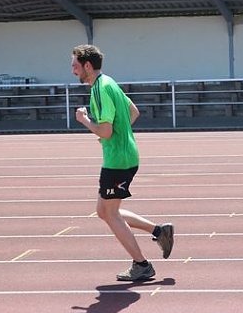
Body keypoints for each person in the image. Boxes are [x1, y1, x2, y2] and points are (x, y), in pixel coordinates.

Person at [71, 44, 174, 282]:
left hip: (117, 160)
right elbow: (133, 111)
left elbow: (105, 131)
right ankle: (159, 231)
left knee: (110, 213)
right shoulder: (110, 82)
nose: (73, 70)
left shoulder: (99, 89)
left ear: (87, 65)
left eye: (75, 65)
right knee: (105, 211)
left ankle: (142, 265)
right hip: (125, 155)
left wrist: (85, 120)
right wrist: (117, 135)